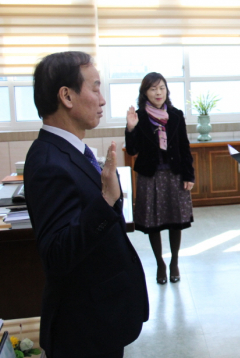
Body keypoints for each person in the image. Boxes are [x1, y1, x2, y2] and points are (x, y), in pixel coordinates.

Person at [25, 51, 149, 358]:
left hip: (101, 316)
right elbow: (56, 254)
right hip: (81, 327)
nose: (102, 100)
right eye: (95, 88)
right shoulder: (48, 161)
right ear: (66, 96)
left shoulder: (72, 149)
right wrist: (106, 201)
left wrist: (110, 200)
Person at [125, 72, 195, 284]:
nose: (158, 92)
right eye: (153, 88)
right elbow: (132, 150)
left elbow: (184, 147)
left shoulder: (176, 115)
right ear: (145, 92)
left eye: (162, 88)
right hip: (150, 177)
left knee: (176, 221)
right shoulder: (139, 116)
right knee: (153, 223)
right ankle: (160, 263)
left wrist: (189, 175)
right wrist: (130, 128)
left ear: (167, 90)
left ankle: (174, 262)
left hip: (175, 174)